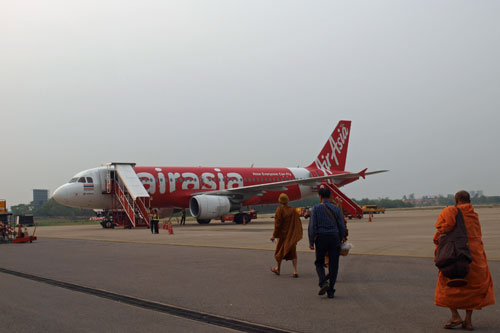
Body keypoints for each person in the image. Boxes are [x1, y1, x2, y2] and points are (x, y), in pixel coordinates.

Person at [434, 190, 495, 330]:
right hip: (474, 257)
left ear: (456, 200)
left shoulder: (451, 211)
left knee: (447, 286)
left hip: (456, 255)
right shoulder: (474, 215)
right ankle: (468, 321)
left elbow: (443, 228)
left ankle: (455, 316)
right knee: (472, 289)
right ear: (469, 201)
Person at [308, 187, 346, 298]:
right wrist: (341, 238)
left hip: (321, 238)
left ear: (320, 196)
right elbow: (341, 225)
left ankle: (323, 282)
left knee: (319, 262)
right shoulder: (335, 209)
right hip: (334, 237)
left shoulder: (315, 208)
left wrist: (311, 241)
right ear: (329, 196)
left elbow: (312, 226)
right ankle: (331, 290)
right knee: (334, 264)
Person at [270, 193, 303, 277]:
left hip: (282, 236)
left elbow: (277, 225)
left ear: (280, 201)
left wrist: (274, 235)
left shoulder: (279, 210)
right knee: (293, 253)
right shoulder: (293, 210)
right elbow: (298, 223)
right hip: (291, 236)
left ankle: (278, 268)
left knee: (279, 252)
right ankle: (295, 271)